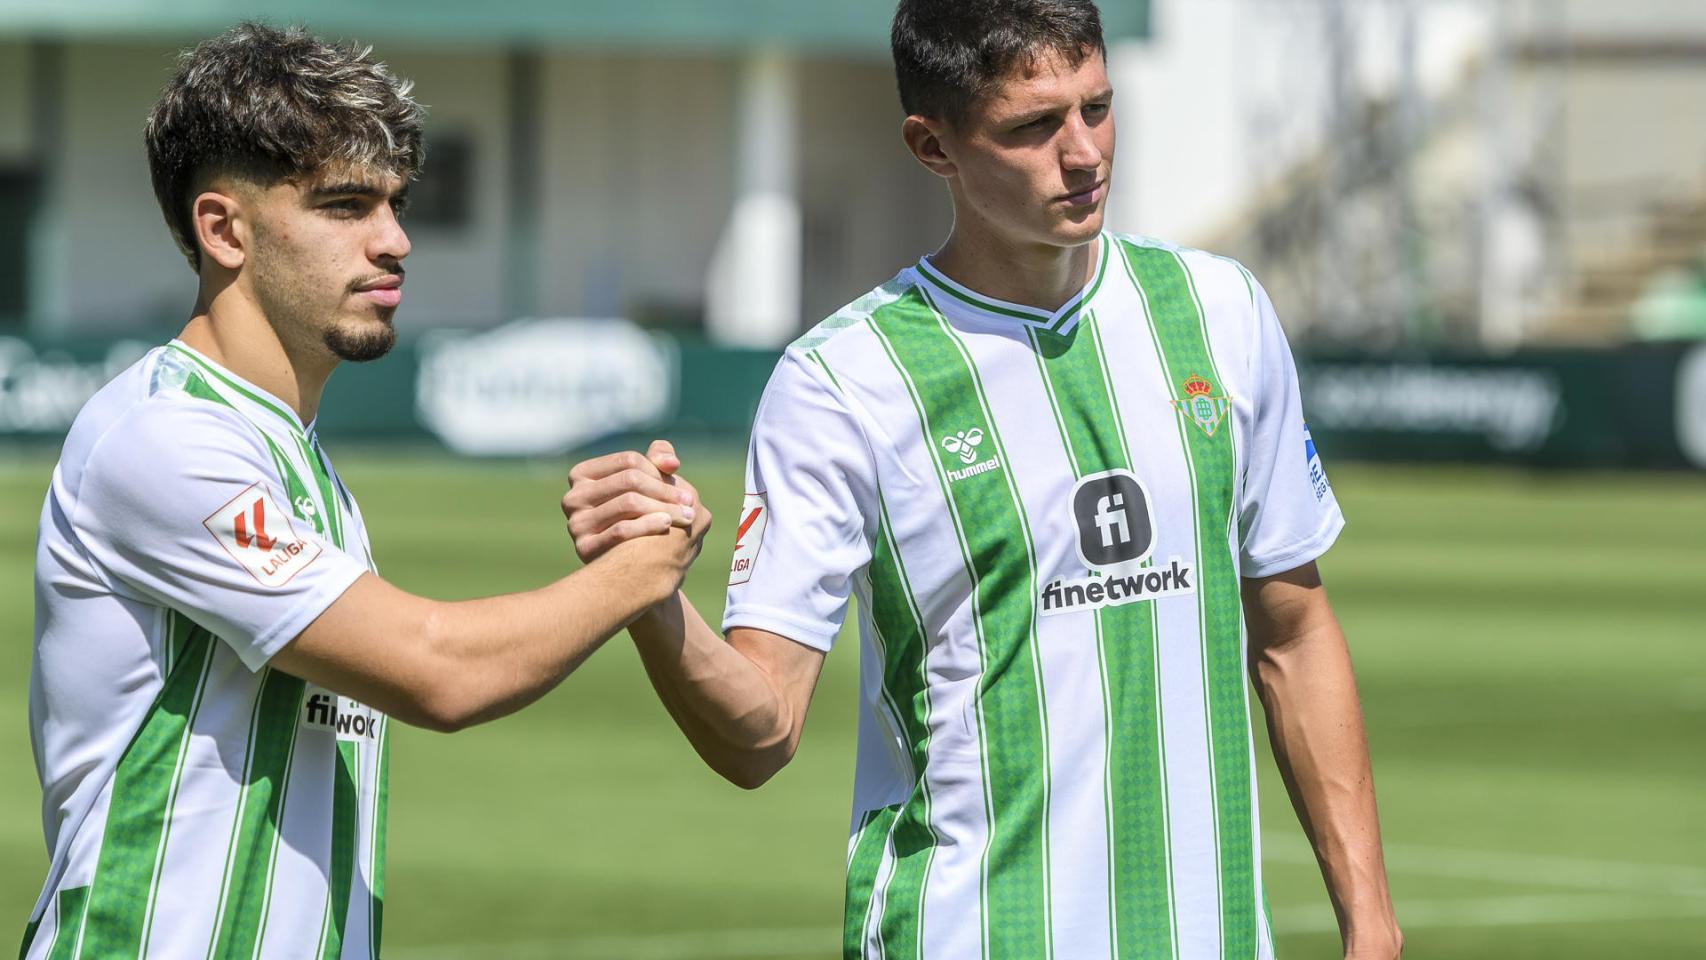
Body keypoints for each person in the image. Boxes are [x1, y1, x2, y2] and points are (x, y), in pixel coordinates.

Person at [562, 1, 1403, 957]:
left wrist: (1371, 924)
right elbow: (758, 733)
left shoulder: (1221, 312)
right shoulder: (843, 382)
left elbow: (1295, 635)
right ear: (934, 147)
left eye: (1097, 107)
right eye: (1034, 126)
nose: (1083, 153)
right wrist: (648, 598)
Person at [23, 23, 705, 958]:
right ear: (223, 229)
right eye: (345, 206)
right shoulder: (165, 438)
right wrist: (641, 569)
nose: (396, 241)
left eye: (394, 204)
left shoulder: (288, 450)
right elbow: (439, 671)